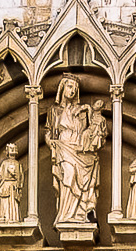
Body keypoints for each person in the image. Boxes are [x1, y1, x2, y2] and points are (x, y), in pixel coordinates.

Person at [45, 75, 105, 225]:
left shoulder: (83, 110)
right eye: (69, 87)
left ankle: (80, 214)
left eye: (75, 89)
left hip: (79, 148)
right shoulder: (54, 111)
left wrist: (92, 113)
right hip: (63, 146)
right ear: (62, 87)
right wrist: (49, 141)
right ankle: (66, 215)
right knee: (68, 176)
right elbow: (49, 131)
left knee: (83, 179)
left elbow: (94, 129)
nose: (72, 91)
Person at [0, 143, 23, 223]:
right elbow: (0, 175)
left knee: (13, 203)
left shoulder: (18, 164)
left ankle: (13, 218)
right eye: (11, 148)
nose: (13, 150)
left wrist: (19, 186)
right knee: (5, 203)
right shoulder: (4, 163)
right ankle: (4, 216)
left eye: (14, 148)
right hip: (5, 185)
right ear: (7, 151)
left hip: (13, 187)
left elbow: (21, 176)